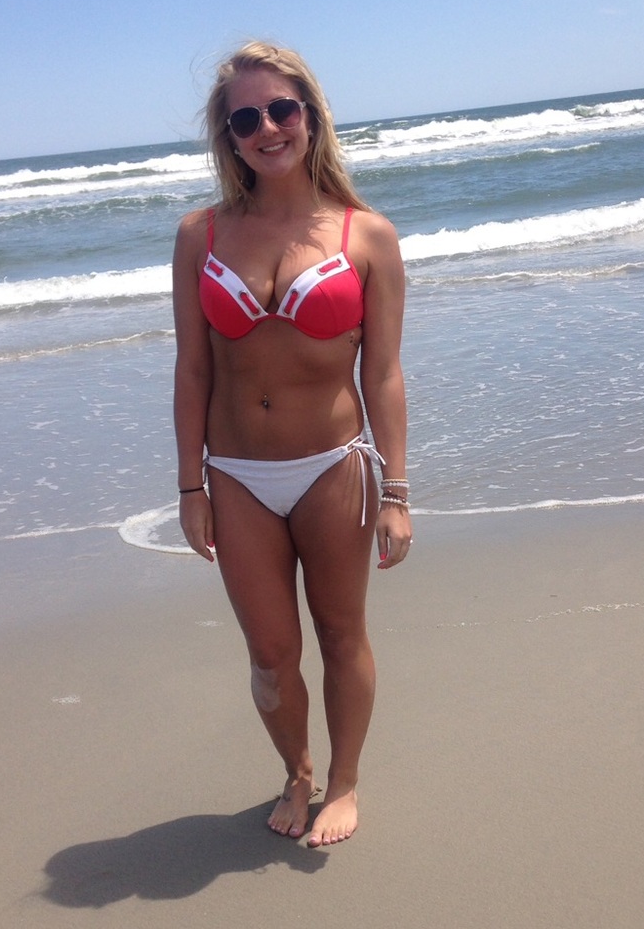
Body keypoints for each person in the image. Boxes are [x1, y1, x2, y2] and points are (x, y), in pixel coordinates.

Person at [171, 42, 412, 848]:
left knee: (342, 634)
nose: (267, 126)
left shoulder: (367, 234)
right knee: (272, 654)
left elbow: (382, 375)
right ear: (228, 136)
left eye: (282, 109)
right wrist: (190, 488)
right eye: (247, 117)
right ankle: (297, 772)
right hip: (236, 475)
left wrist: (400, 493)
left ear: (309, 114)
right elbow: (192, 368)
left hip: (334, 467)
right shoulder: (198, 235)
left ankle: (343, 784)